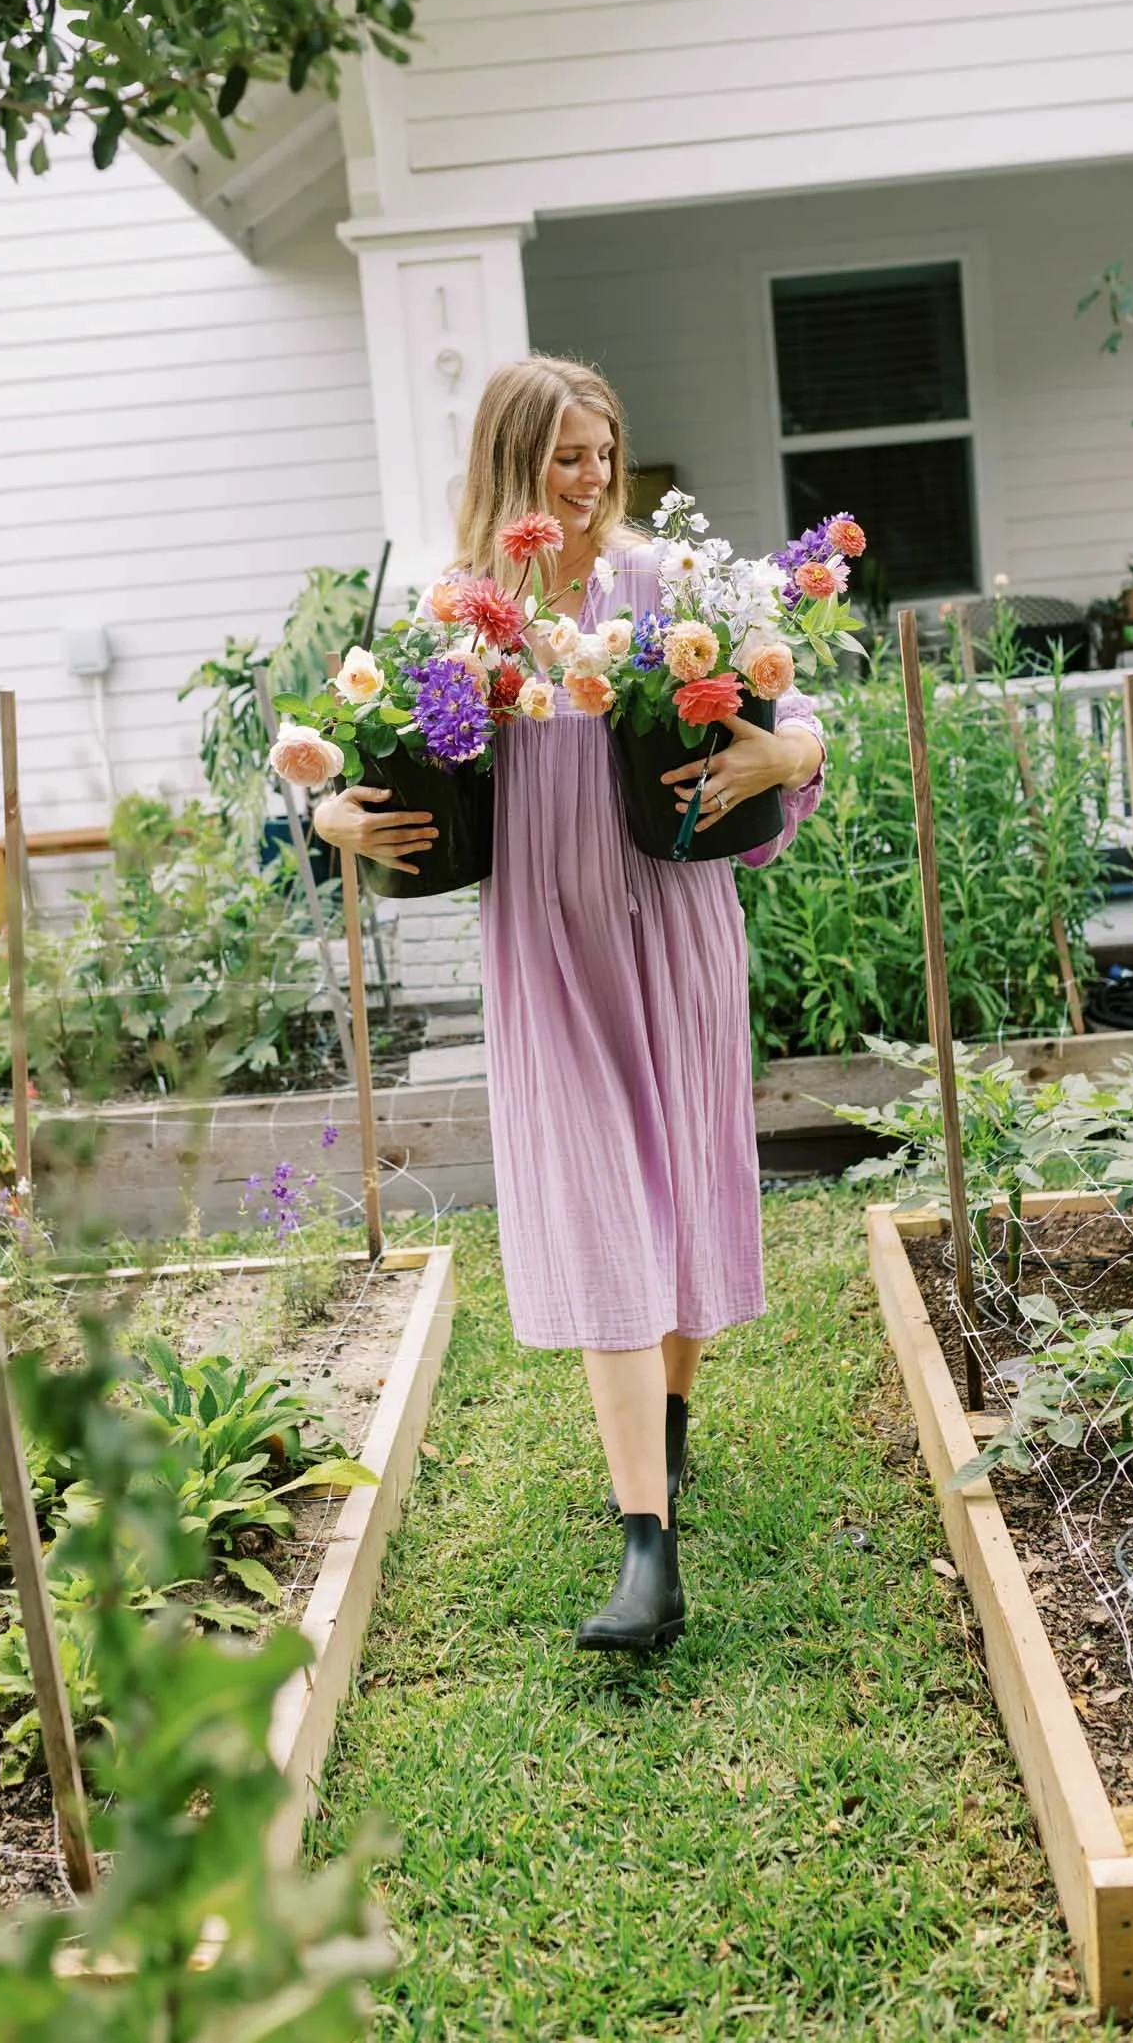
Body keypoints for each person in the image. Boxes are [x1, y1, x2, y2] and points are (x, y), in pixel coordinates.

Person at [312, 357, 825, 1653]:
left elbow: (801, 719)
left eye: (604, 453)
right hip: (545, 943)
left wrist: (779, 749)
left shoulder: (665, 588)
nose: (592, 481)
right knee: (602, 1201)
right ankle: (646, 1549)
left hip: (676, 927)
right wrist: (328, 809)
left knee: (685, 1189)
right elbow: (345, 745)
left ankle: (670, 1419)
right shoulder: (458, 615)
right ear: (511, 464)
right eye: (565, 459)